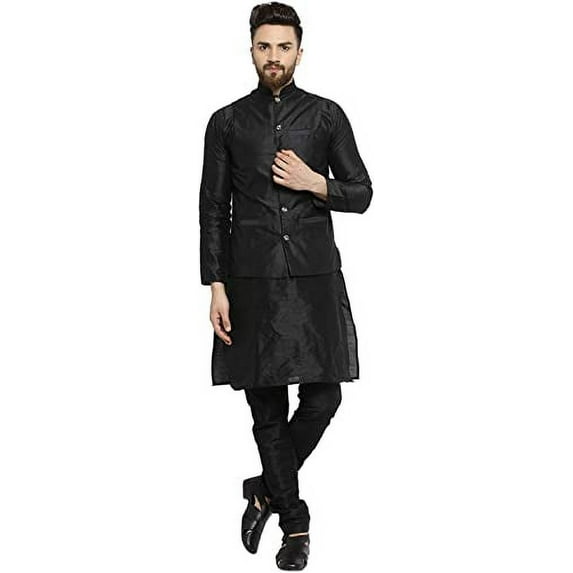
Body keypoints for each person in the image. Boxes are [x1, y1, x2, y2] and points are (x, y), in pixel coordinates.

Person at [198, 3, 373, 569]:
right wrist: (215, 285)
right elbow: (212, 210)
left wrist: (316, 182)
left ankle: (265, 489)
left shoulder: (326, 116)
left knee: (325, 396)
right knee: (266, 407)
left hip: (315, 278)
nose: (274, 57)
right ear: (251, 49)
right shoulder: (226, 122)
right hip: (251, 282)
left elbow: (362, 192)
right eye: (264, 46)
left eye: (284, 47)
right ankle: (295, 526)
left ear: (300, 51)